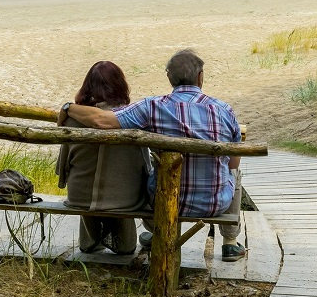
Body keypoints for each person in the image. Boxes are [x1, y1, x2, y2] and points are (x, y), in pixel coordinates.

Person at [57, 49, 247, 262]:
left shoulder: (152, 107)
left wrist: (68, 107)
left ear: (169, 77)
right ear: (201, 76)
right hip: (213, 204)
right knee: (235, 172)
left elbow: (102, 120)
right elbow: (233, 161)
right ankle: (230, 243)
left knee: (152, 174)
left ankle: (158, 231)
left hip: (163, 201)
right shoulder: (224, 110)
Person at [55, 61, 151, 254]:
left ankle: (90, 241)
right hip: (125, 200)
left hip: (79, 197)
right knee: (126, 242)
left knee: (90, 191)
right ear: (121, 86)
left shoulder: (72, 119)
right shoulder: (131, 119)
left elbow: (62, 167)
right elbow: (145, 166)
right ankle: (123, 244)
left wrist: (68, 108)